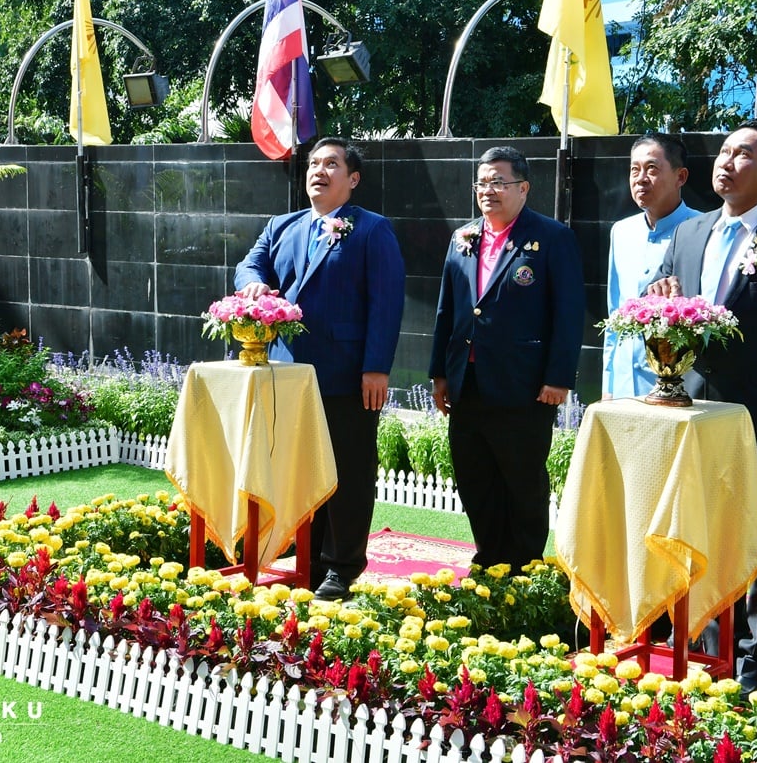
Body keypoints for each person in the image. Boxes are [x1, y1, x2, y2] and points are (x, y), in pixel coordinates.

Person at [647, 119, 757, 696]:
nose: (726, 162)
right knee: (694, 528)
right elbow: (660, 299)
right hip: (690, 414)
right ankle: (704, 642)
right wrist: (658, 298)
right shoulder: (690, 232)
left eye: (743, 155)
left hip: (756, 421)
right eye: (723, 152)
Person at [234, 137, 405, 600]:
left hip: (347, 377)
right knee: (301, 471)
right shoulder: (282, 226)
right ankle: (306, 559)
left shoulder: (372, 230)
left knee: (347, 471)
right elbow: (249, 266)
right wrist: (253, 287)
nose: (319, 171)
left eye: (332, 164)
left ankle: (341, 565)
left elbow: (386, 305)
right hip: (287, 376)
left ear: (352, 179)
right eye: (313, 164)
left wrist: (376, 368)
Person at [428, 146, 585, 570]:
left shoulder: (551, 238)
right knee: (474, 478)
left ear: (523, 188)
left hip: (525, 386)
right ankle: (489, 561)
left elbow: (568, 313)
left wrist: (558, 377)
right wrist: (439, 374)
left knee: (522, 481)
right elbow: (448, 310)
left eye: (499, 182)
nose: (488, 191)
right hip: (468, 382)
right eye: (482, 182)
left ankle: (524, 568)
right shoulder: (462, 238)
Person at [603, 133, 700, 399]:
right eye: (635, 169)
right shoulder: (621, 231)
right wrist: (608, 386)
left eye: (652, 169)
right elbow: (615, 314)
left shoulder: (703, 230)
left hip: (677, 391)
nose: (640, 178)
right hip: (624, 387)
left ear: (681, 177)